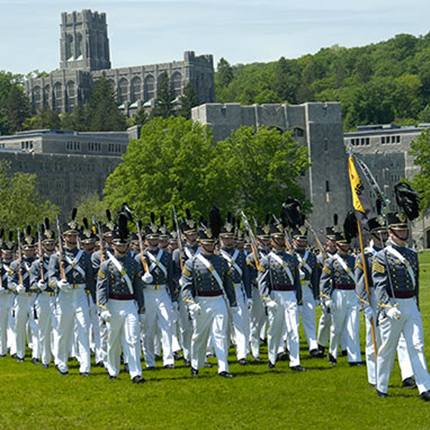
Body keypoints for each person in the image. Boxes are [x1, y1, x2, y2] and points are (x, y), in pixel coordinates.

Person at [373, 212, 430, 401]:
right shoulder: (382, 257)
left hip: (410, 305)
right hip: (393, 307)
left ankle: (425, 387)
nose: (403, 234)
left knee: (416, 345)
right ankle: (381, 386)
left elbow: (415, 285)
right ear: (390, 232)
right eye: (399, 231)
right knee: (387, 348)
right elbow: (379, 286)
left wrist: (416, 306)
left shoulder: (412, 255)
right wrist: (387, 306)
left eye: (405, 230)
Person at [356, 217, 415, 388]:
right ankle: (375, 377)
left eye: (384, 233)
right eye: (378, 234)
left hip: (395, 297)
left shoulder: (394, 252)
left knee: (402, 338)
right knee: (373, 337)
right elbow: (361, 283)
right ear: (372, 236)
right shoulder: (365, 255)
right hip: (374, 295)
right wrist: (365, 305)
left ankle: (407, 375)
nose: (381, 237)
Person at [180, 207, 237, 378]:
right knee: (199, 335)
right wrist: (190, 303)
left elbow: (228, 284)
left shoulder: (221, 261)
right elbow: (186, 286)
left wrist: (233, 304)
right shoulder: (192, 263)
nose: (210, 246)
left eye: (212, 243)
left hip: (218, 299)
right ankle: (195, 365)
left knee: (220, 334)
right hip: (201, 301)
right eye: (207, 244)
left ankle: (223, 367)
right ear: (200, 244)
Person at [97, 213, 145, 383]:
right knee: (113, 339)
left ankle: (135, 372)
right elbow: (101, 289)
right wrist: (102, 308)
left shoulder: (134, 263)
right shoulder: (106, 265)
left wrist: (141, 308)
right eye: (119, 244)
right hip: (113, 304)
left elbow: (138, 288)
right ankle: (113, 370)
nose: (122, 247)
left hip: (130, 303)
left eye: (124, 244)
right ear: (114, 245)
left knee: (133, 338)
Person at [48, 209, 94, 376]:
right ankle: (61, 362)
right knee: (63, 329)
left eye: (75, 235)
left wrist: (94, 300)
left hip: (81, 294)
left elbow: (90, 279)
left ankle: (85, 366)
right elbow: (50, 279)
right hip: (64, 295)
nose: (73, 238)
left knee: (83, 329)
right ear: (64, 237)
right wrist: (59, 283)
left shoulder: (84, 256)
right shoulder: (56, 256)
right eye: (70, 236)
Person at [257, 220, 305, 371]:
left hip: (290, 294)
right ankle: (272, 358)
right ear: (271, 241)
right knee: (275, 330)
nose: (280, 241)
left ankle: (295, 361)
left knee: (293, 329)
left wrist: (298, 297)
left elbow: (296, 280)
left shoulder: (292, 258)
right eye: (277, 239)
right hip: (275, 295)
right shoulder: (266, 260)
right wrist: (266, 299)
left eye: (282, 238)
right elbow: (262, 282)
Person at [135, 213, 175, 370]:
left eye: (156, 238)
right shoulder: (140, 257)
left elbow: (170, 277)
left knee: (167, 325)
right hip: (147, 293)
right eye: (151, 239)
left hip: (163, 291)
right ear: (145, 240)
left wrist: (174, 298)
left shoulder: (166, 256)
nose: (154, 241)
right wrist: (141, 279)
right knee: (148, 328)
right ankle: (150, 360)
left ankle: (168, 359)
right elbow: (135, 280)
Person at [320, 230, 362, 365]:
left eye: (346, 245)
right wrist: (326, 298)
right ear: (337, 246)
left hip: (352, 294)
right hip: (338, 294)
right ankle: (332, 353)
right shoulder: (331, 261)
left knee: (353, 326)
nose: (345, 248)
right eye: (342, 245)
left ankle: (354, 357)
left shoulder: (354, 259)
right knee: (336, 327)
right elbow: (324, 281)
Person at [218, 212, 251, 365]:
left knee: (240, 324)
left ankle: (242, 355)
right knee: (222, 326)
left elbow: (246, 277)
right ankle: (222, 355)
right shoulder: (217, 255)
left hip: (238, 290)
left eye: (230, 237)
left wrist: (249, 296)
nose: (228, 240)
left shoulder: (241, 255)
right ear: (221, 239)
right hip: (222, 292)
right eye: (225, 238)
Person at [8, 227, 38, 363]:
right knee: (19, 327)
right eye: (27, 249)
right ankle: (20, 354)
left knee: (36, 327)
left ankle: (36, 355)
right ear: (23, 250)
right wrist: (15, 287)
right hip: (20, 298)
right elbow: (10, 281)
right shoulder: (15, 264)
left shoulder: (39, 263)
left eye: (31, 249)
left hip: (34, 296)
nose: (29, 251)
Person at [30, 220, 57, 368]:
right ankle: (45, 359)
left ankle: (59, 359)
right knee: (44, 329)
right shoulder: (36, 264)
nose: (50, 247)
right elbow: (32, 284)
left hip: (58, 297)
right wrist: (38, 285)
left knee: (58, 329)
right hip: (43, 298)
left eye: (52, 244)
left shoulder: (60, 260)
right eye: (47, 245)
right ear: (43, 246)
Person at [292, 226, 320, 357]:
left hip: (307, 289)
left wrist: (316, 295)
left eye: (304, 240)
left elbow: (315, 277)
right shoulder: (289, 256)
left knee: (309, 319)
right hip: (293, 290)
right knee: (293, 321)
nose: (302, 242)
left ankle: (313, 346)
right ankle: (290, 346)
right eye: (299, 240)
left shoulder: (311, 256)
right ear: (293, 241)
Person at [246, 216, 271, 360]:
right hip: (257, 291)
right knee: (256, 321)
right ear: (257, 241)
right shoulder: (251, 257)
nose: (265, 242)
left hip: (272, 291)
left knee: (270, 321)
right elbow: (249, 278)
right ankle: (255, 349)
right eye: (262, 240)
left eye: (267, 239)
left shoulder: (272, 255)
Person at [0, 232, 15, 357]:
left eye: (10, 252)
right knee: (1, 325)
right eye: (6, 252)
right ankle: (2, 349)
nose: (8, 254)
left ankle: (14, 349)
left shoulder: (16, 264)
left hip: (14, 296)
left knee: (13, 324)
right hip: (1, 297)